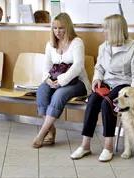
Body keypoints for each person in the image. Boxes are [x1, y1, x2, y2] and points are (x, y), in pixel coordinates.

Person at [70, 14, 134, 162]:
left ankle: (108, 146)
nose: (103, 32)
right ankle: (85, 145)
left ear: (115, 30)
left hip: (124, 85)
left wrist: (133, 93)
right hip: (107, 84)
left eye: (105, 29)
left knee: (108, 103)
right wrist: (97, 78)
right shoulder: (103, 47)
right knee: (92, 101)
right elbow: (99, 67)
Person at [33, 13, 91, 148]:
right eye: (54, 28)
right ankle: (51, 130)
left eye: (61, 28)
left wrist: (60, 81)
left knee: (59, 94)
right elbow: (46, 66)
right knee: (41, 90)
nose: (57, 32)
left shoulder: (77, 42)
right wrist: (47, 80)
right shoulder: (50, 44)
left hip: (78, 83)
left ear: (68, 28)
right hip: (54, 81)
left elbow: (78, 67)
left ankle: (42, 133)